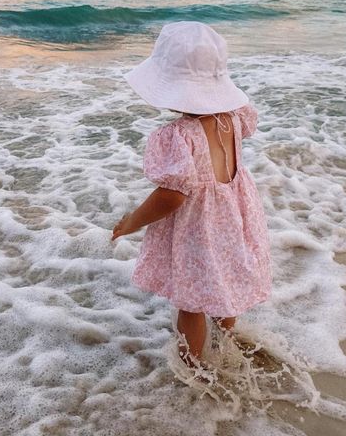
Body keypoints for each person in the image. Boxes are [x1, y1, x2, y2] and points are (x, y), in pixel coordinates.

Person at [111, 20, 272, 370]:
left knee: (192, 301)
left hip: (199, 225)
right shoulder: (234, 116)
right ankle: (226, 340)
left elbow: (172, 197)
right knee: (224, 279)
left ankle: (194, 370)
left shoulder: (179, 135)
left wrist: (132, 222)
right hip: (233, 214)